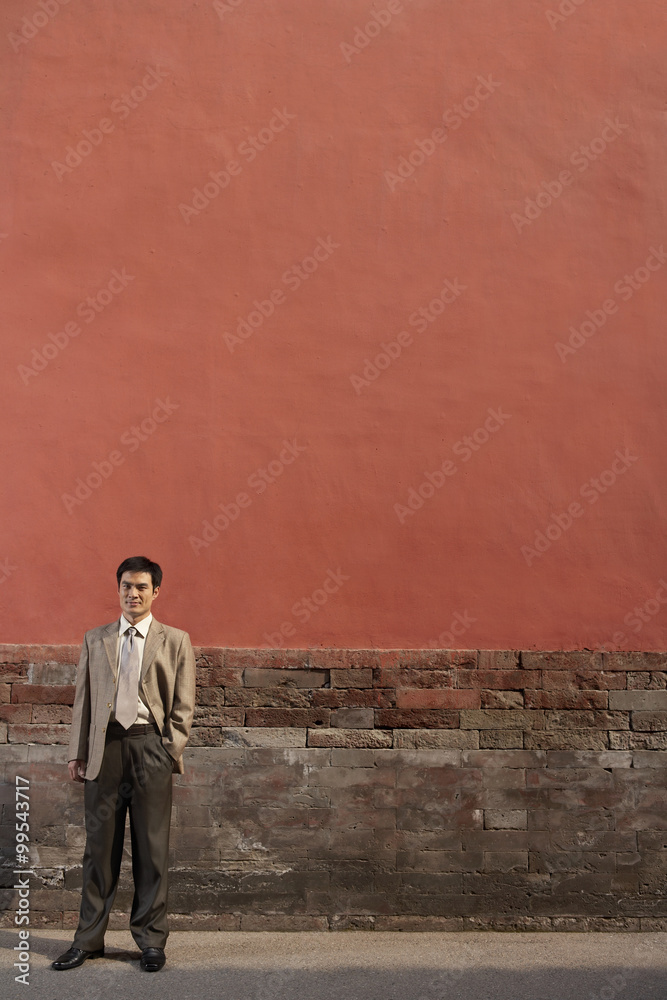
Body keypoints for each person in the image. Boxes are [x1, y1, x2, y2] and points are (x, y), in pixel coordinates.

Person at [52, 556, 196, 973]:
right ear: (118, 590)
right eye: (126, 587)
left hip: (150, 748)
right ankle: (88, 940)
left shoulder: (175, 640)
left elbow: (184, 706)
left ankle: (151, 941)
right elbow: (84, 701)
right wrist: (77, 752)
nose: (133, 594)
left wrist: (168, 749)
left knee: (152, 850)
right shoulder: (95, 639)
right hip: (106, 751)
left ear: (155, 592)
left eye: (141, 587)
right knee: (98, 851)